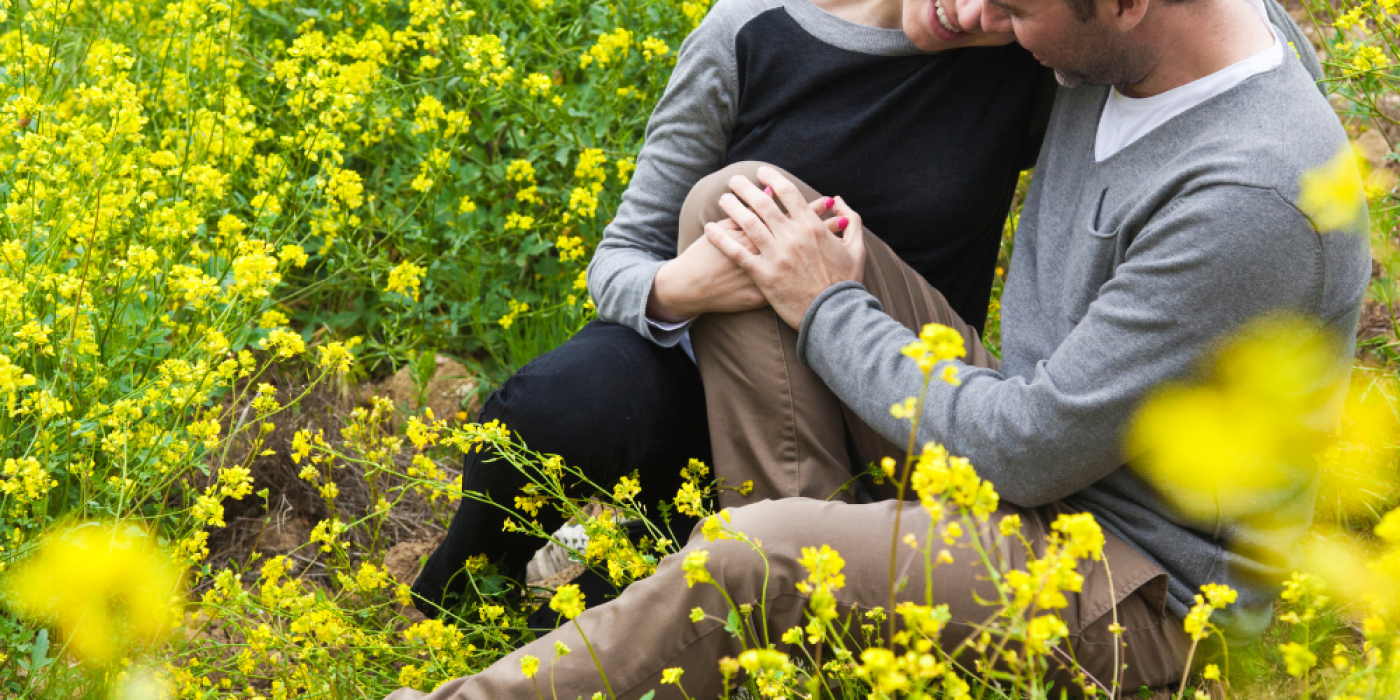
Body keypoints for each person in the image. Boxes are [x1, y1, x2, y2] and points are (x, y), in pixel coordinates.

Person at [383, 0, 1370, 693]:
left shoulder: (1246, 196)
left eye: (1017, 9)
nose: (991, 21)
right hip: (1037, 445)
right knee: (747, 210)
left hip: (1134, 585)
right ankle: (815, 633)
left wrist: (828, 305)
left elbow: (1028, 449)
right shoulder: (1148, 40)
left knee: (749, 557)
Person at [411, 0, 1055, 618]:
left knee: (629, 625)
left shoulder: (1030, 54)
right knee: (563, 405)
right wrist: (684, 287)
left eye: (1007, 5)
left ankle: (746, 582)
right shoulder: (751, 31)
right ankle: (463, 596)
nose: (972, 13)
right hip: (713, 385)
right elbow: (618, 260)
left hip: (884, 402)